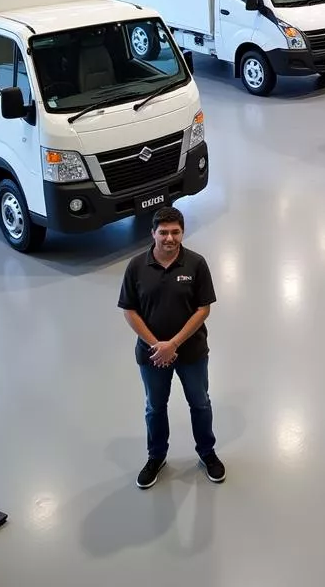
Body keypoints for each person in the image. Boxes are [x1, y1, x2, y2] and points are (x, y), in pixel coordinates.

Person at [118, 206, 225, 489]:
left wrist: (174, 344)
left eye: (175, 232)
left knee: (200, 403)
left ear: (182, 232)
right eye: (163, 232)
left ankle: (207, 453)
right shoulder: (136, 267)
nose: (169, 238)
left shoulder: (196, 264)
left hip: (191, 352)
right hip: (152, 355)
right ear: (152, 233)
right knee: (155, 407)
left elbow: (203, 309)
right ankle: (156, 457)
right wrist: (158, 346)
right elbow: (130, 311)